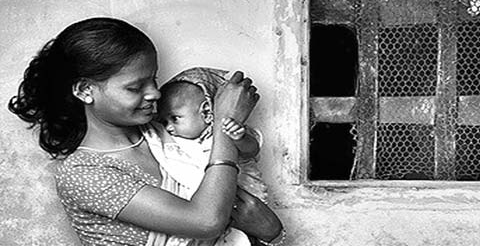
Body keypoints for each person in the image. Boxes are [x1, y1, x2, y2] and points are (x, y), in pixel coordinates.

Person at [7, 17, 282, 246]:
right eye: (135, 87)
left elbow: (244, 166)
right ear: (84, 90)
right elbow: (206, 221)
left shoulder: (169, 130)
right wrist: (225, 121)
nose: (155, 93)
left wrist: (272, 234)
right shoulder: (83, 173)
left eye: (154, 79)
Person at [157, 67, 269, 202]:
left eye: (175, 118)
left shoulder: (229, 128)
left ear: (206, 113)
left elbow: (251, 151)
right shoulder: (175, 142)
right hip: (208, 204)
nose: (168, 127)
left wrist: (240, 138)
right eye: (164, 121)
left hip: (247, 201)